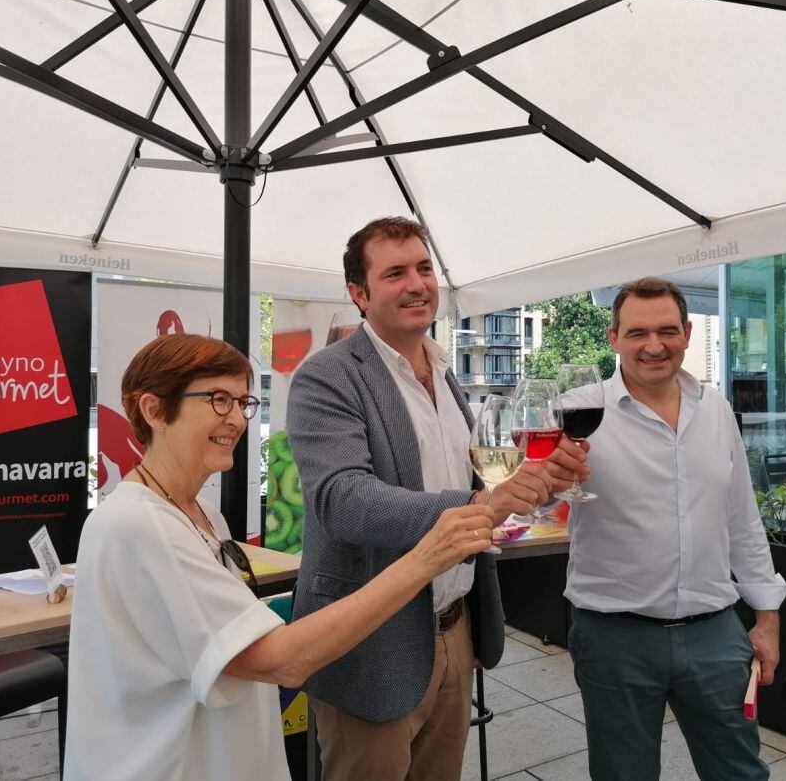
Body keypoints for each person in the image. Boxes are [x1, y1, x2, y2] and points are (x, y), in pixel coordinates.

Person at [63, 333, 496, 781]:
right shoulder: (140, 524)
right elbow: (281, 659)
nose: (236, 419)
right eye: (217, 399)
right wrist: (425, 558)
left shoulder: (199, 512)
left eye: (242, 402)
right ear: (153, 410)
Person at [287, 216, 588, 781]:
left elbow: (475, 481)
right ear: (359, 293)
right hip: (370, 646)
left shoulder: (447, 373)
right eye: (395, 272)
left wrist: (538, 483)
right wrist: (488, 505)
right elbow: (344, 501)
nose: (417, 283)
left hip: (454, 630)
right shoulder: (325, 377)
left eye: (424, 268)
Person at [566, 277, 786, 781]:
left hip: (715, 634)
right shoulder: (580, 409)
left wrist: (767, 621)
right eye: (637, 333)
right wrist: (551, 480)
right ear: (613, 337)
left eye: (667, 330)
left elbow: (742, 520)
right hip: (614, 636)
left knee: (741, 773)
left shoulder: (716, 409)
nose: (654, 346)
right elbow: (541, 487)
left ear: (687, 333)